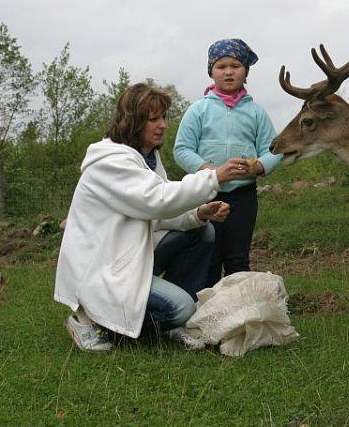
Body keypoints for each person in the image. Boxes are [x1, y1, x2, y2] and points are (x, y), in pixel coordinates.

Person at [54, 83, 252, 352]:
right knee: (180, 308)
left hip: (126, 256)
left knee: (202, 232)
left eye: (163, 117)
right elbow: (157, 199)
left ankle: (170, 323)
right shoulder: (110, 162)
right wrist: (215, 177)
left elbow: (155, 214)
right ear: (133, 122)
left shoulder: (146, 157)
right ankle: (92, 322)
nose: (163, 125)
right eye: (153, 119)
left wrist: (197, 214)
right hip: (103, 269)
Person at [174, 39, 282, 285]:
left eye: (235, 65)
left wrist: (259, 166)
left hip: (243, 195)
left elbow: (274, 151)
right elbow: (182, 149)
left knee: (237, 259)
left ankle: (237, 314)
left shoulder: (256, 112)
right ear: (211, 71)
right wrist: (210, 172)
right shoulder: (198, 110)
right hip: (205, 194)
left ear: (246, 71)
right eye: (221, 66)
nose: (229, 71)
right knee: (208, 257)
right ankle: (207, 314)